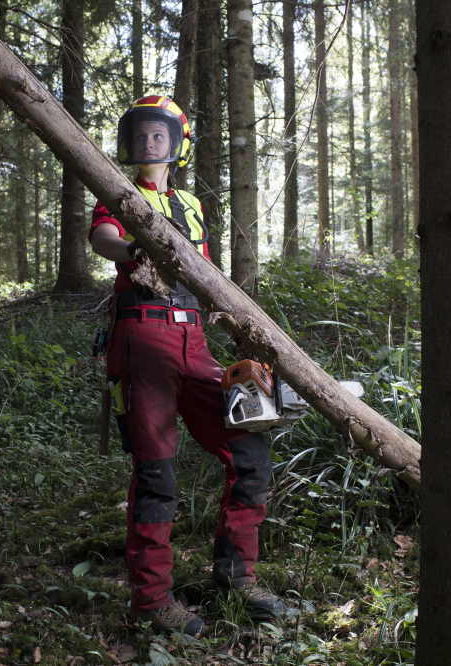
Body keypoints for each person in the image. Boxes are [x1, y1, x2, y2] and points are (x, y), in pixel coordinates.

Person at [89, 95, 287, 636]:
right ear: (129, 141)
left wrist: (235, 318)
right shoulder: (120, 193)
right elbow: (103, 235)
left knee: (248, 449)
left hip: (194, 340)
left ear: (176, 143)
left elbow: (204, 271)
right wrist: (129, 252)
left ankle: (234, 578)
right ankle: (153, 601)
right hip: (142, 341)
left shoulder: (192, 204)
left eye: (160, 133)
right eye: (142, 133)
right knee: (156, 475)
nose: (150, 141)